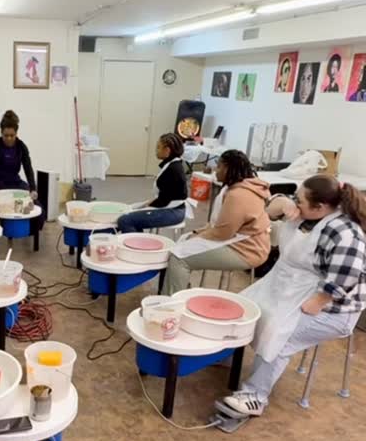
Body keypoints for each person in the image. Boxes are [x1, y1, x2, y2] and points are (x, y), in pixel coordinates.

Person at [224, 176, 366, 417]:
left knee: (279, 333)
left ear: (319, 207)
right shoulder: (308, 214)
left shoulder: (345, 233)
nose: (295, 203)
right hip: (293, 287)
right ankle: (225, 355)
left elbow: (347, 275)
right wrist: (283, 204)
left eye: (299, 201)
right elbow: (271, 208)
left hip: (334, 308)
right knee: (245, 307)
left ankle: (255, 396)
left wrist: (320, 301)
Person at [162, 150, 271, 294]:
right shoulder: (241, 186)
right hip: (242, 239)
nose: (215, 171)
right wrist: (197, 233)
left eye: (219, 167)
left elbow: (222, 233)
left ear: (228, 169)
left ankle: (171, 306)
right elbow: (219, 225)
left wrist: (197, 236)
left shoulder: (238, 195)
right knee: (183, 240)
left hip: (247, 250)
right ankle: (180, 289)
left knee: (178, 257)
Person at [117, 133, 187, 234]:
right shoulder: (173, 165)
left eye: (158, 147)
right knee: (130, 215)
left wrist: (142, 206)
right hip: (173, 208)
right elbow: (166, 195)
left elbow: (163, 201)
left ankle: (138, 247)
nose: (156, 150)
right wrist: (141, 205)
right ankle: (139, 244)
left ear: (167, 150)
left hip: (173, 212)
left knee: (125, 220)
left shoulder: (173, 169)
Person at [0, 110, 37, 201]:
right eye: (6, 135)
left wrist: (33, 189)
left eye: (12, 135)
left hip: (14, 182)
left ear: (16, 133)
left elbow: (28, 168)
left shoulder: (21, 147)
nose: (9, 138)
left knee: (38, 207)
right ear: (1, 133)